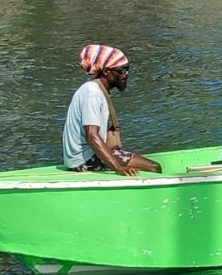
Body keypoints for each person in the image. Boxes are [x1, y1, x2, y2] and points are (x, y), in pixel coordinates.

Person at [62, 43, 162, 176]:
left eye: (127, 69)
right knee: (154, 168)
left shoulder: (96, 90)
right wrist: (117, 167)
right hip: (84, 161)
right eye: (121, 70)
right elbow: (92, 136)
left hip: (86, 156)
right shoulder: (93, 93)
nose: (126, 74)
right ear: (106, 71)